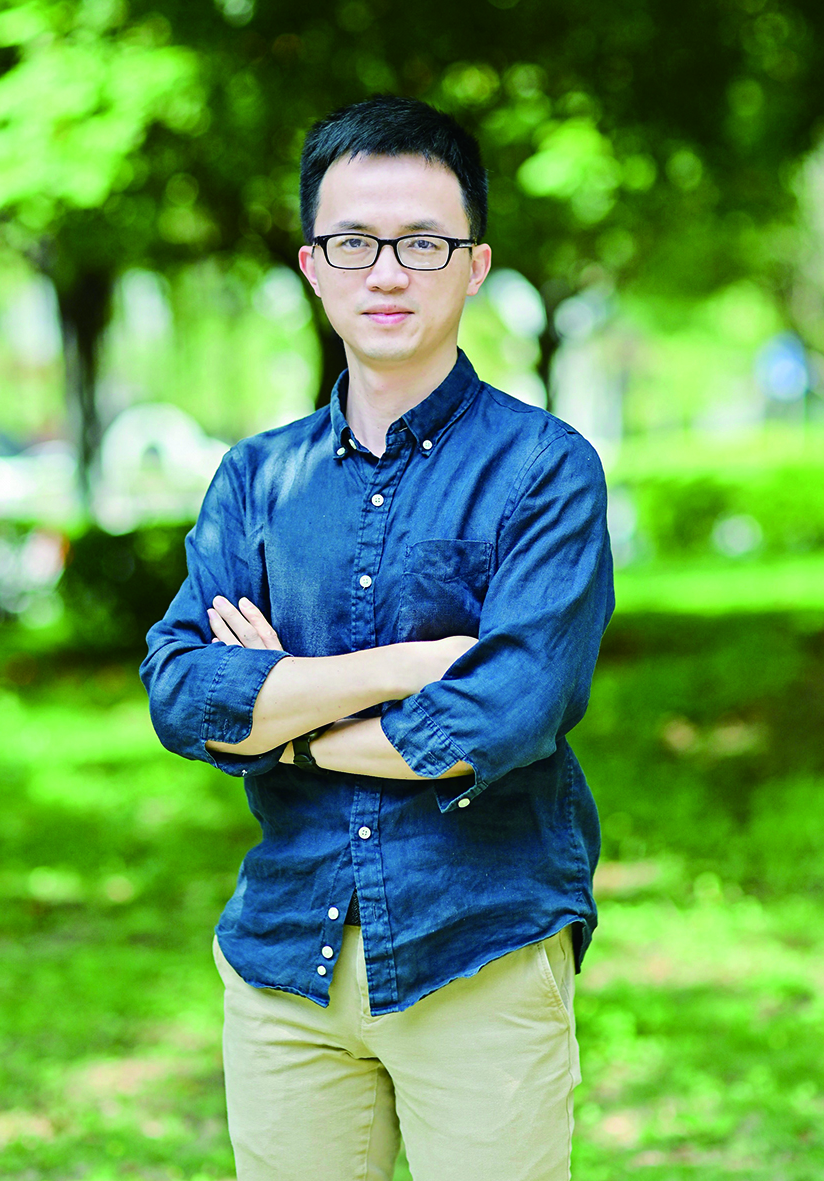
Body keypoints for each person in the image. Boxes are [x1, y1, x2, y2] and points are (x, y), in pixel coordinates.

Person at [141, 94, 614, 1181]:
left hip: (479, 949)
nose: (387, 273)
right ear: (314, 267)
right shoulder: (256, 478)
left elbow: (498, 715)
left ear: (474, 264)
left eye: (422, 243)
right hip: (283, 966)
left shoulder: (545, 471)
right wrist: (408, 666)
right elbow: (182, 692)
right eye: (354, 242)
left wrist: (279, 715)